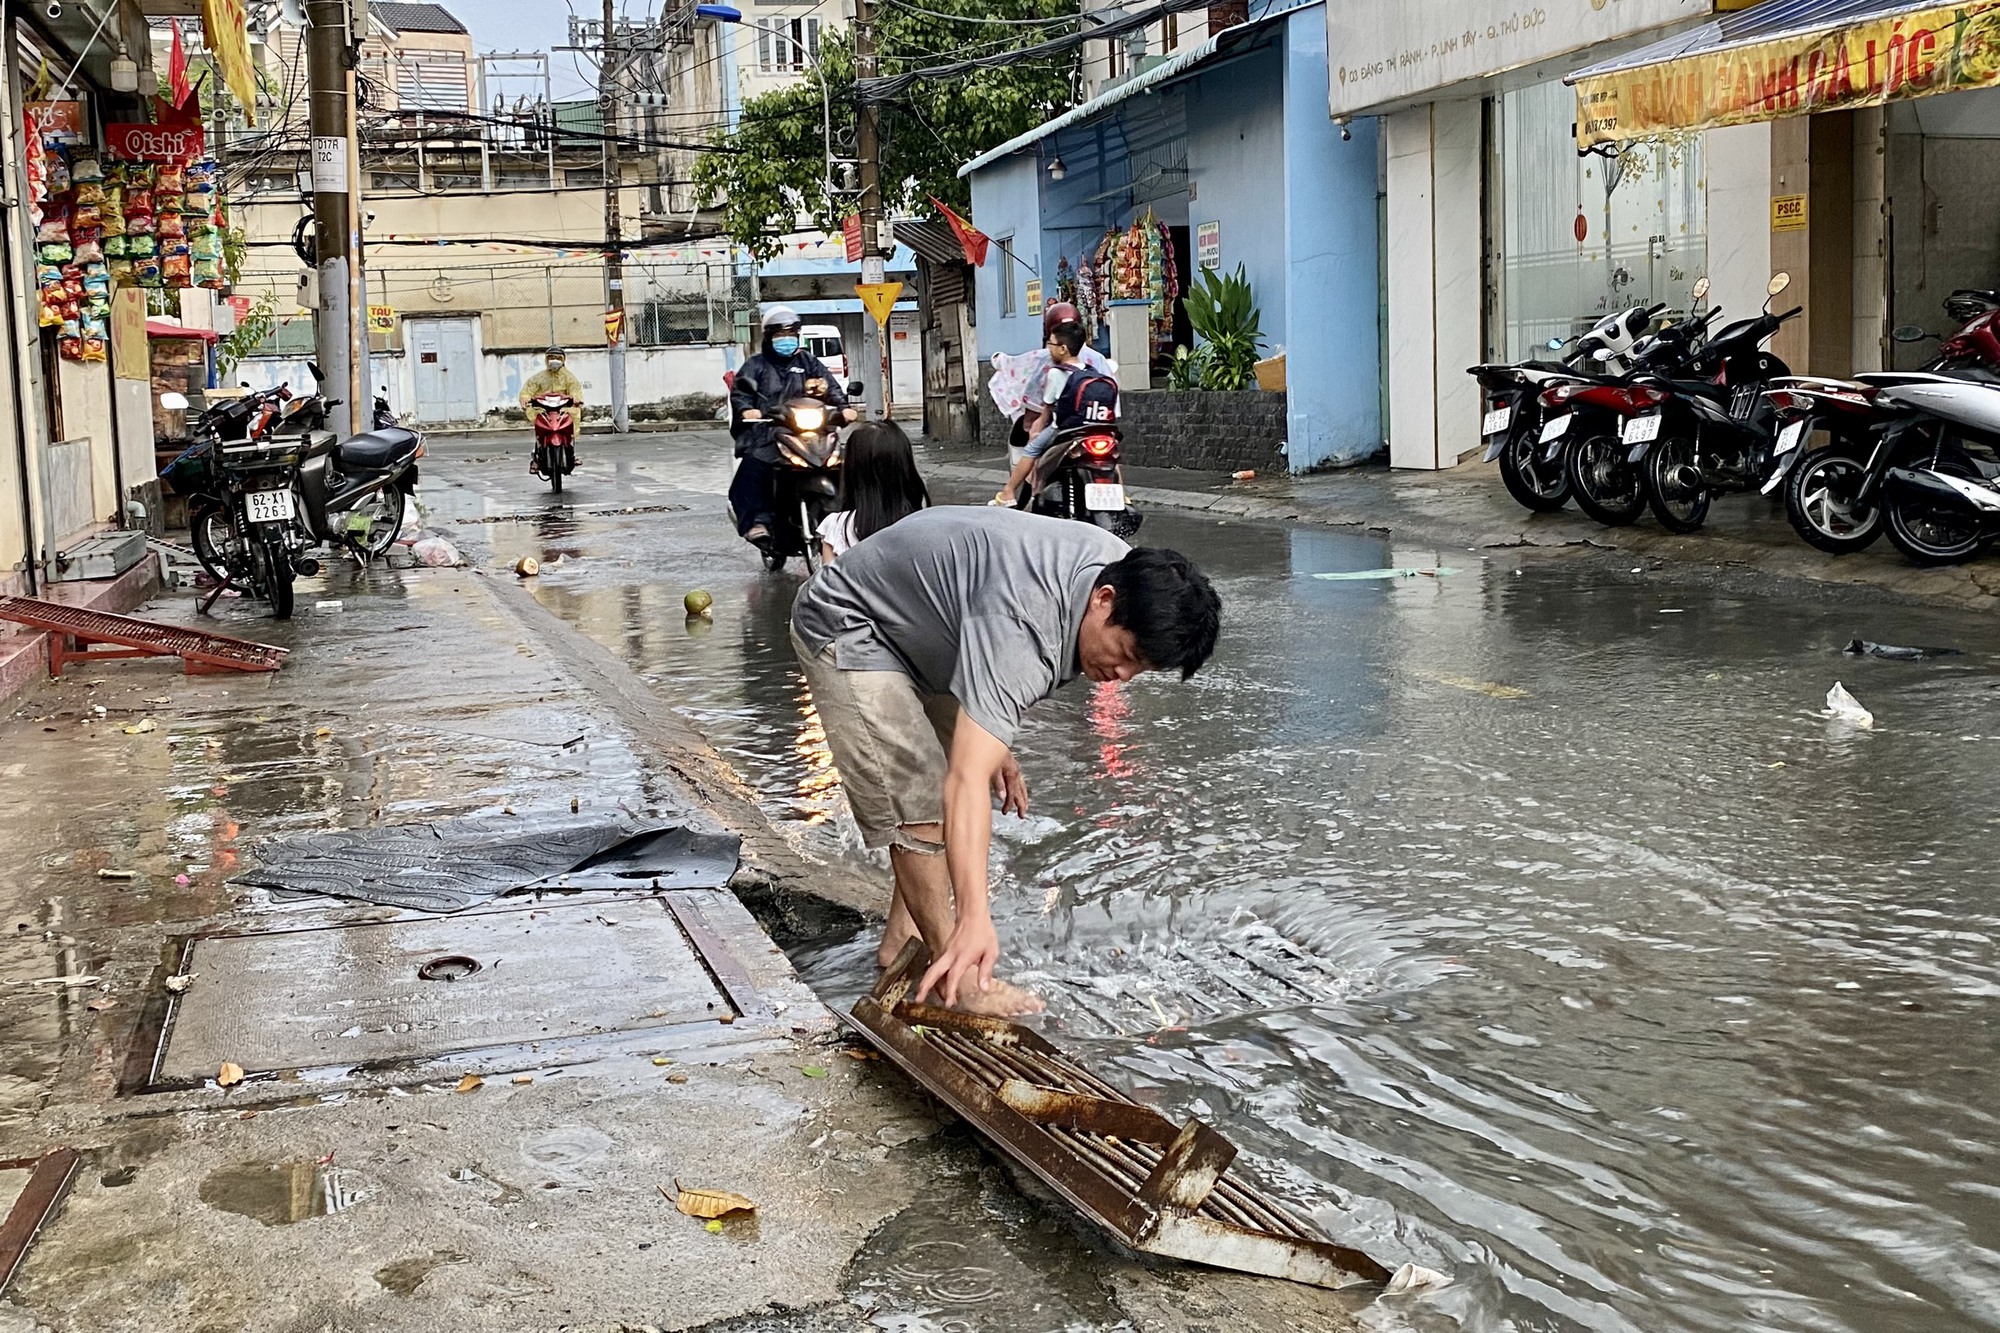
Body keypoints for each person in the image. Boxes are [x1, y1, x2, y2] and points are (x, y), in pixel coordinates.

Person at [790, 507, 1221, 1014]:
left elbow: (991, 650)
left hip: (932, 633)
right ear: (1104, 601)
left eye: (1141, 669)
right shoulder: (1024, 623)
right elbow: (966, 780)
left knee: (958, 773)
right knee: (920, 795)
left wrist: (995, 738)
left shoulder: (1127, 573)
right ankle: (958, 972)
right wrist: (975, 915)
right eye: (1125, 654)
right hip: (852, 622)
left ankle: (898, 945)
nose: (1123, 675)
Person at [731, 305, 855, 548]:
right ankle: (757, 521)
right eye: (780, 336)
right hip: (771, 431)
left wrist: (844, 407)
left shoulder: (809, 362)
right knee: (756, 464)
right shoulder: (756, 365)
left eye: (791, 335)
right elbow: (740, 394)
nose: (786, 341)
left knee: (844, 461)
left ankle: (852, 515)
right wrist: (747, 409)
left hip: (810, 430)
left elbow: (831, 388)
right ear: (769, 338)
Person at [992, 320, 1111, 507]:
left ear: (1063, 348)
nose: (1049, 349)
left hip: (1066, 430)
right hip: (1096, 429)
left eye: (1051, 344)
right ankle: (1123, 493)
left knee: (1031, 450)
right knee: (1112, 458)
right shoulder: (1093, 371)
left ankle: (1008, 492)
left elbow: (1046, 410)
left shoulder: (1055, 373)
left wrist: (1037, 428)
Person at [818, 420, 929, 564]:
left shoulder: (836, 528)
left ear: (852, 468)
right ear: (905, 467)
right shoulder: (924, 526)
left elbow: (829, 584)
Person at [518, 347, 583, 476]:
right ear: (546, 360)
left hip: (563, 409)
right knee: (540, 431)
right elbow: (528, 389)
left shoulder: (569, 377)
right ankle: (536, 457)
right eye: (551, 358)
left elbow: (575, 390)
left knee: (570, 428)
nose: (555, 361)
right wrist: (525, 398)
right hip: (544, 409)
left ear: (563, 360)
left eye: (558, 358)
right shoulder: (539, 377)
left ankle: (571, 452)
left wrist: (576, 398)